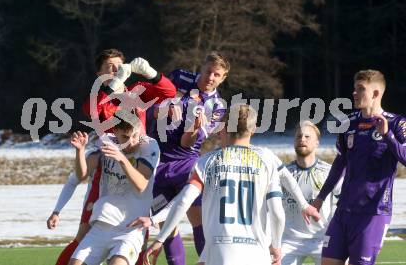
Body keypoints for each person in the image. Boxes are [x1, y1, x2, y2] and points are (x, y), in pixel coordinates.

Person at [47, 48, 176, 265]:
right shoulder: (100, 97)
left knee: (137, 234)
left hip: (138, 162)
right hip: (107, 168)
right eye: (109, 67)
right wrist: (114, 84)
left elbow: (169, 92)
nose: (116, 70)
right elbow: (93, 110)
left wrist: (151, 73)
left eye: (119, 65)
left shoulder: (137, 92)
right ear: (99, 75)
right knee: (85, 234)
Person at [142, 104, 286, 265]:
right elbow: (277, 213)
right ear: (253, 130)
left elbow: (183, 201)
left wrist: (160, 238)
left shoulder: (207, 162)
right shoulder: (267, 160)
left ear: (222, 129)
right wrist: (277, 246)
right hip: (258, 253)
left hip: (221, 251)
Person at [312, 70, 406, 265]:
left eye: (361, 89)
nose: (354, 93)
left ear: (376, 94)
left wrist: (388, 136)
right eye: (354, 89)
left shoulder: (397, 123)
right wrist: (320, 198)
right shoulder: (348, 123)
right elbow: (339, 163)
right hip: (344, 210)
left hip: (373, 213)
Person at [147, 52, 230, 265]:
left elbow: (187, 143)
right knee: (165, 225)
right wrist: (160, 110)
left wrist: (193, 127)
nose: (211, 77)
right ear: (201, 68)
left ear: (223, 78)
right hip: (157, 159)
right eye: (208, 71)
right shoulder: (179, 77)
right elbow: (149, 102)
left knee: (198, 219)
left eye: (217, 75)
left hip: (187, 164)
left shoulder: (217, 107)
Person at [69, 113, 160, 265]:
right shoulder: (106, 143)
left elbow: (142, 185)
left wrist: (122, 159)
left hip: (130, 229)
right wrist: (79, 152)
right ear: (115, 132)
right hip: (102, 224)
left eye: (135, 136)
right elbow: (82, 175)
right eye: (125, 137)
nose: (131, 142)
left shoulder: (149, 146)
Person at [281, 121, 342, 265]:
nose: (302, 139)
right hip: (289, 240)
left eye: (307, 136)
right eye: (299, 136)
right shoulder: (283, 174)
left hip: (321, 238)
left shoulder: (329, 172)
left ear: (317, 143)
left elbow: (343, 203)